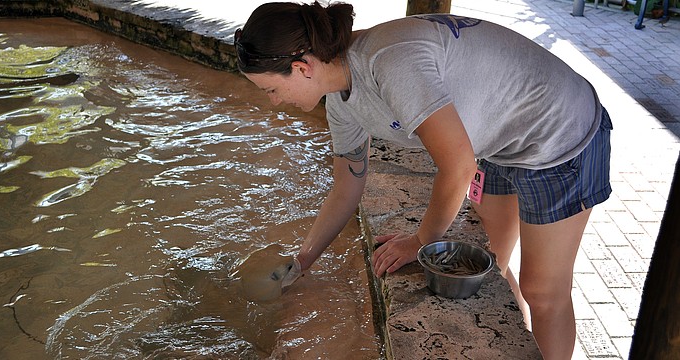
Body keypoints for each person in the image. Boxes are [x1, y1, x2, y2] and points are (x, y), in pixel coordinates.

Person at [234, 2, 612, 359]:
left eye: (270, 89)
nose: (273, 102)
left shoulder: (388, 59)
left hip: (560, 133)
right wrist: (302, 262)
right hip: (503, 140)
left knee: (543, 289)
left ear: (302, 67)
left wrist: (421, 240)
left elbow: (459, 166)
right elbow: (347, 187)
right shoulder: (340, 101)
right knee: (492, 262)